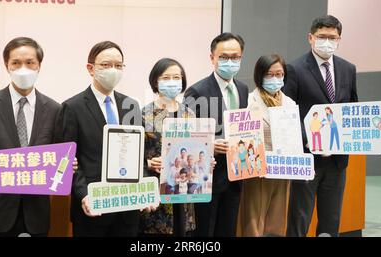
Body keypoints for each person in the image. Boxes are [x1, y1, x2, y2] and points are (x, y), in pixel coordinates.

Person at [282, 15, 381, 237]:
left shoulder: (348, 68)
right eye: (322, 37)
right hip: (308, 158)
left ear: (339, 39)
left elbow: (352, 109)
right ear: (310, 38)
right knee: (300, 218)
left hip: (338, 160)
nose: (327, 41)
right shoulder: (295, 69)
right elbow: (288, 115)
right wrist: (311, 141)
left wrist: (380, 114)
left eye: (332, 37)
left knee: (331, 220)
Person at [0, 37, 61, 236]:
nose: (23, 68)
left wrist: (66, 165)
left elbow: (59, 155)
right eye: (16, 63)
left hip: (37, 215)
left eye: (30, 62)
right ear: (7, 65)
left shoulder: (54, 109)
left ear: (39, 65)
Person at [57, 41, 143, 237]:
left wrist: (147, 189)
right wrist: (84, 194)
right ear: (91, 68)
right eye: (106, 65)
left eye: (118, 65)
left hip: (127, 207)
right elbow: (68, 161)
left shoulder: (131, 106)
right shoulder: (72, 107)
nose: (113, 70)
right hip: (92, 207)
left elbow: (139, 155)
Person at [184, 32, 249, 237]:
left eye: (235, 57)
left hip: (236, 175)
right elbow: (187, 136)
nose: (230, 62)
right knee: (204, 232)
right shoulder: (196, 91)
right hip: (207, 177)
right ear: (212, 57)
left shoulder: (243, 88)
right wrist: (210, 145)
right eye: (223, 57)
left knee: (227, 229)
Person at [238, 54, 296, 237]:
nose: (275, 79)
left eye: (279, 74)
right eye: (269, 74)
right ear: (260, 76)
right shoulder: (248, 101)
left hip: (282, 170)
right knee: (254, 219)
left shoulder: (290, 103)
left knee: (277, 220)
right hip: (256, 171)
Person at [139, 57, 196, 237]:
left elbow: (196, 149)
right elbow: (135, 156)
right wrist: (149, 163)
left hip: (184, 190)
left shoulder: (189, 114)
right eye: (166, 78)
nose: (172, 82)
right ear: (155, 81)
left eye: (176, 77)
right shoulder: (144, 114)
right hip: (155, 191)